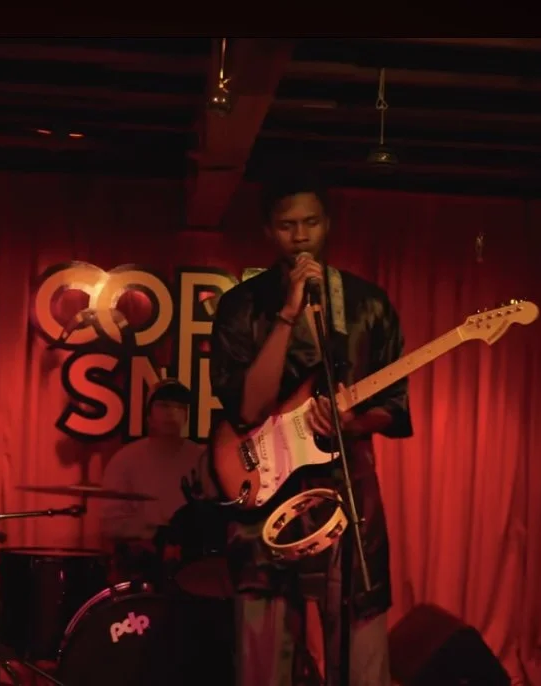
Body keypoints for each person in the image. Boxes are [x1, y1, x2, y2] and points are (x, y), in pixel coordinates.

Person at [209, 170, 411, 686]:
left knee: (361, 640)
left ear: (328, 223)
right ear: (268, 231)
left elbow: (394, 407)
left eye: (311, 223)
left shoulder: (367, 304)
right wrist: (287, 313)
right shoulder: (240, 306)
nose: (300, 236)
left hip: (346, 489)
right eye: (287, 226)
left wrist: (352, 420)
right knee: (263, 648)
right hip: (266, 496)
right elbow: (246, 410)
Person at [100, 378, 205, 573]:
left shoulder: (202, 459)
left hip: (193, 562)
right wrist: (157, 534)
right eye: (163, 405)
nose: (172, 412)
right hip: (141, 562)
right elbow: (110, 523)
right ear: (148, 415)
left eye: (179, 407)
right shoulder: (125, 459)